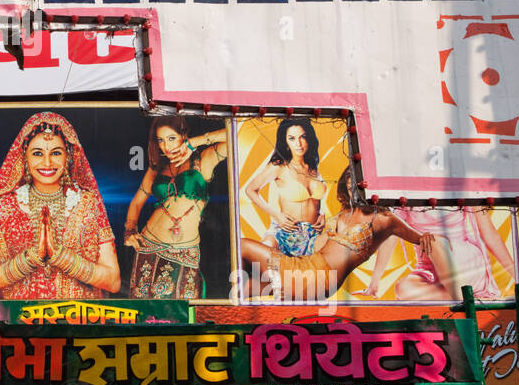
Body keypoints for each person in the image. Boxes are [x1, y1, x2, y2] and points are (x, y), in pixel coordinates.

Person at [239, 168, 455, 302]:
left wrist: (426, 237)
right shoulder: (343, 213)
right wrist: (318, 225)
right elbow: (314, 249)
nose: (356, 194)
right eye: (351, 188)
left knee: (242, 246)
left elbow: (421, 237)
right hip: (306, 269)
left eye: (360, 188)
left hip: (320, 279)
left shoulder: (385, 219)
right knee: (242, 289)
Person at [0, 112, 120, 300]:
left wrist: (60, 256)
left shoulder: (88, 204)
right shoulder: (4, 209)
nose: (47, 162)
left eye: (56, 153)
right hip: (22, 323)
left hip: (79, 320)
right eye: (37, 153)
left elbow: (114, 282)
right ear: (24, 157)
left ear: (68, 157)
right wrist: (32, 258)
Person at [124, 116, 228, 299]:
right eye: (161, 140)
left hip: (185, 252)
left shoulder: (203, 160)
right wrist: (130, 229)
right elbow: (137, 202)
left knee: (179, 312)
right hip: (149, 246)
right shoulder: (156, 168)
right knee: (144, 310)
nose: (166, 146)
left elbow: (237, 136)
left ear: (184, 135)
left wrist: (195, 142)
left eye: (172, 138)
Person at [363, 205, 514, 302]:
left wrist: (518, 276)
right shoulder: (404, 192)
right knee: (402, 288)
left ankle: (462, 307)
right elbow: (391, 236)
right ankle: (468, 300)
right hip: (429, 268)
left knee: (432, 240)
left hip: (464, 260)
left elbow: (490, 235)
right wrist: (375, 282)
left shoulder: (461, 181)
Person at [242, 117, 327, 258]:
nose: (298, 144)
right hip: (284, 235)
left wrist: (322, 213)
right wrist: (276, 215)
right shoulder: (278, 166)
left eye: (302, 137)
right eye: (292, 138)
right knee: (260, 267)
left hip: (313, 236)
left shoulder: (313, 166)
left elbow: (315, 197)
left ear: (309, 139)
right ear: (286, 142)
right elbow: (250, 190)